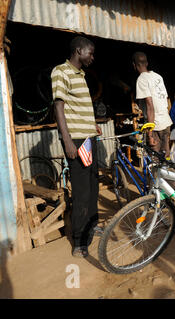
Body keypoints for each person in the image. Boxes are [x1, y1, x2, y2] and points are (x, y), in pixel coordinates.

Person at [51, 36, 102, 258]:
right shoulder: (61, 71)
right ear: (78, 50)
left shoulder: (81, 75)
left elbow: (77, 107)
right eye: (90, 53)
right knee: (81, 193)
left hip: (89, 138)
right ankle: (79, 242)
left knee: (93, 188)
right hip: (77, 141)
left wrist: (93, 128)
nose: (92, 57)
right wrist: (68, 140)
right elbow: (59, 107)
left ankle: (92, 226)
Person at [132, 51, 172, 158]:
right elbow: (165, 99)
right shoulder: (158, 76)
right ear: (147, 63)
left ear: (134, 65)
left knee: (155, 160)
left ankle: (158, 175)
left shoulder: (142, 79)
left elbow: (150, 105)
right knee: (166, 157)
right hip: (166, 122)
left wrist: (150, 134)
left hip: (156, 125)